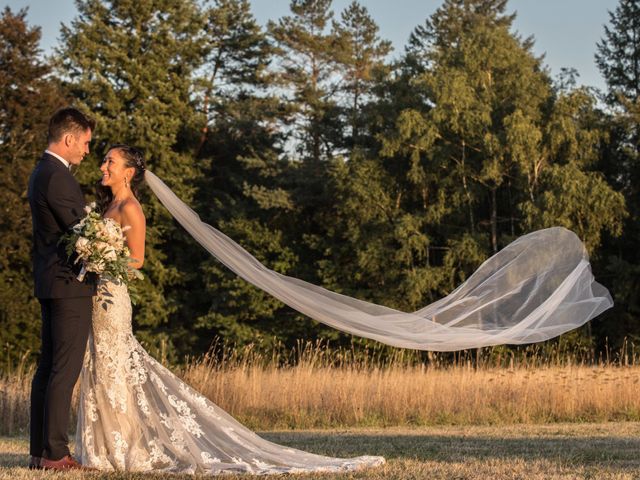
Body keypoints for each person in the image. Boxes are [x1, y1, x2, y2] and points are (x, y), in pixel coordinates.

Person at [75, 144, 384, 474]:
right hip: (97, 294)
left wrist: (103, 256)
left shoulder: (132, 209)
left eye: (110, 161)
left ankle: (124, 447)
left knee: (115, 366)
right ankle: (104, 446)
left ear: (129, 171)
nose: (102, 166)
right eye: (104, 160)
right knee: (99, 365)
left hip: (114, 298)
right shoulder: (109, 206)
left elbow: (138, 259)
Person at [27, 107, 97, 470]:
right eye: (85, 143)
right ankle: (55, 453)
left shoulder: (43, 172)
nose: (87, 151)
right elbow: (82, 232)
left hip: (50, 281)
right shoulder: (57, 176)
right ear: (69, 139)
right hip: (68, 284)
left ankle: (40, 451)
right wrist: (105, 247)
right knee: (63, 371)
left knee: (49, 368)